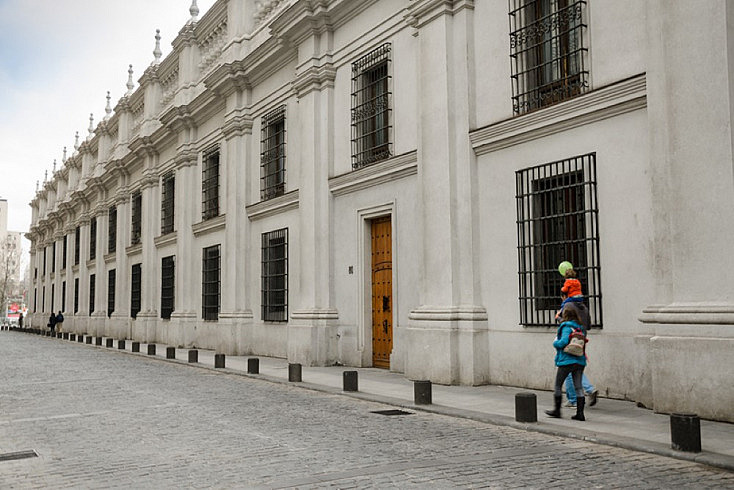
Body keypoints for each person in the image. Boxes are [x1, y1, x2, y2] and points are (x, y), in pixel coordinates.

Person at [545, 305, 587, 421]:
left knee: (558, 385)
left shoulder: (566, 327)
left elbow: (563, 342)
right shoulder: (580, 328)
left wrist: (555, 343)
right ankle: (580, 414)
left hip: (566, 360)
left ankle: (557, 411)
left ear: (566, 316)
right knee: (578, 387)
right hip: (580, 360)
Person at [561, 299, 599, 408]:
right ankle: (588, 390)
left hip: (570, 343)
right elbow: (588, 326)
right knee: (576, 369)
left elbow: (565, 322)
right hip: (581, 342)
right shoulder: (583, 306)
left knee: (568, 370)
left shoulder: (568, 305)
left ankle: (573, 400)